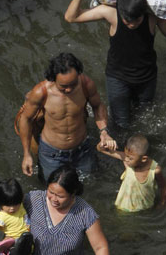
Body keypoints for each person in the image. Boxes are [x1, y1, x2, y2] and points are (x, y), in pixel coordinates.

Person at [64, 0, 166, 129]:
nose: (132, 25)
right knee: (121, 123)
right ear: (121, 12)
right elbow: (71, 17)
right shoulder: (110, 14)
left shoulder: (152, 16)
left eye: (137, 20)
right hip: (118, 78)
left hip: (147, 77)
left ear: (143, 14)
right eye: (127, 21)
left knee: (145, 117)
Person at [18, 52, 117, 181]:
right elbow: (26, 119)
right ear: (53, 79)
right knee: (51, 186)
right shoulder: (41, 92)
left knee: (93, 180)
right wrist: (26, 154)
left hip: (82, 149)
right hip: (51, 153)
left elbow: (98, 105)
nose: (69, 90)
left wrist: (104, 131)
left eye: (73, 84)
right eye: (63, 87)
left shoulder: (86, 84)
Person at [21, 164, 111, 255]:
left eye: (60, 196)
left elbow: (100, 247)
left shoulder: (85, 213)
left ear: (73, 193)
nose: (54, 199)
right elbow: (9, 217)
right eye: (50, 192)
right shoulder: (32, 200)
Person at [97, 133, 166, 212]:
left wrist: (162, 202)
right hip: (122, 207)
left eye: (130, 158)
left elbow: (163, 186)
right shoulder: (128, 160)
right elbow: (100, 149)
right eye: (126, 156)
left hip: (145, 208)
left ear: (144, 159)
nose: (126, 159)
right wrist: (103, 144)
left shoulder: (155, 170)